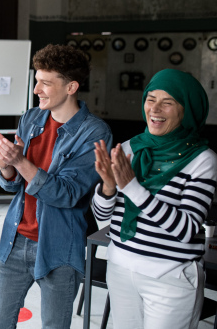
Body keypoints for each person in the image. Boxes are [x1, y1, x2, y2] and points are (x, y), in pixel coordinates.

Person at [0, 44, 113, 328]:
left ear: (71, 87)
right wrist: (5, 165)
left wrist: (20, 161)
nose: (36, 89)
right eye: (36, 79)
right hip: (15, 239)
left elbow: (68, 194)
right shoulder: (31, 119)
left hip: (60, 247)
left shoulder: (95, 132)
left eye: (45, 83)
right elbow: (13, 186)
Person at [92, 69, 217, 329]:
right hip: (120, 268)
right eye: (151, 99)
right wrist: (108, 186)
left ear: (188, 110)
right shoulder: (128, 149)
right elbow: (103, 218)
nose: (155, 108)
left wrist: (132, 187)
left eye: (168, 102)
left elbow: (186, 229)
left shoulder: (203, 160)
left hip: (169, 277)